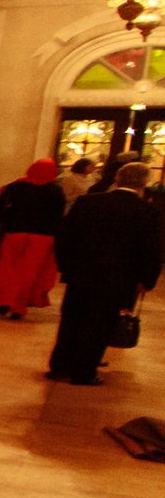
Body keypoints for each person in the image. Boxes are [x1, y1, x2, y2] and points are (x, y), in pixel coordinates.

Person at [50, 161, 164, 385]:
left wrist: (66, 266)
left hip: (81, 274)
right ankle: (84, 373)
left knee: (71, 321)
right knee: (99, 325)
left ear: (116, 179)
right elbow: (151, 249)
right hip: (119, 278)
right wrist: (147, 279)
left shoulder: (87, 202)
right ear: (144, 183)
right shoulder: (146, 211)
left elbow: (64, 237)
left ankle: (60, 368)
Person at [0, 159, 66, 320]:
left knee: (7, 269)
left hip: (15, 232)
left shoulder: (16, 187)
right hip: (43, 236)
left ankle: (5, 301)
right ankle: (19, 306)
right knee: (30, 272)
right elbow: (59, 215)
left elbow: (0, 208)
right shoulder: (55, 190)